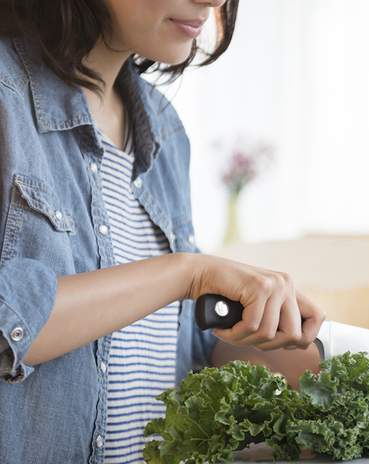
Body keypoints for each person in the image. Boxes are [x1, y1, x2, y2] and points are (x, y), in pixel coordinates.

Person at [0, 1, 326, 462]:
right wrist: (185, 274)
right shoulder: (7, 99)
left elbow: (183, 345)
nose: (213, 2)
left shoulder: (165, 131)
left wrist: (305, 349)